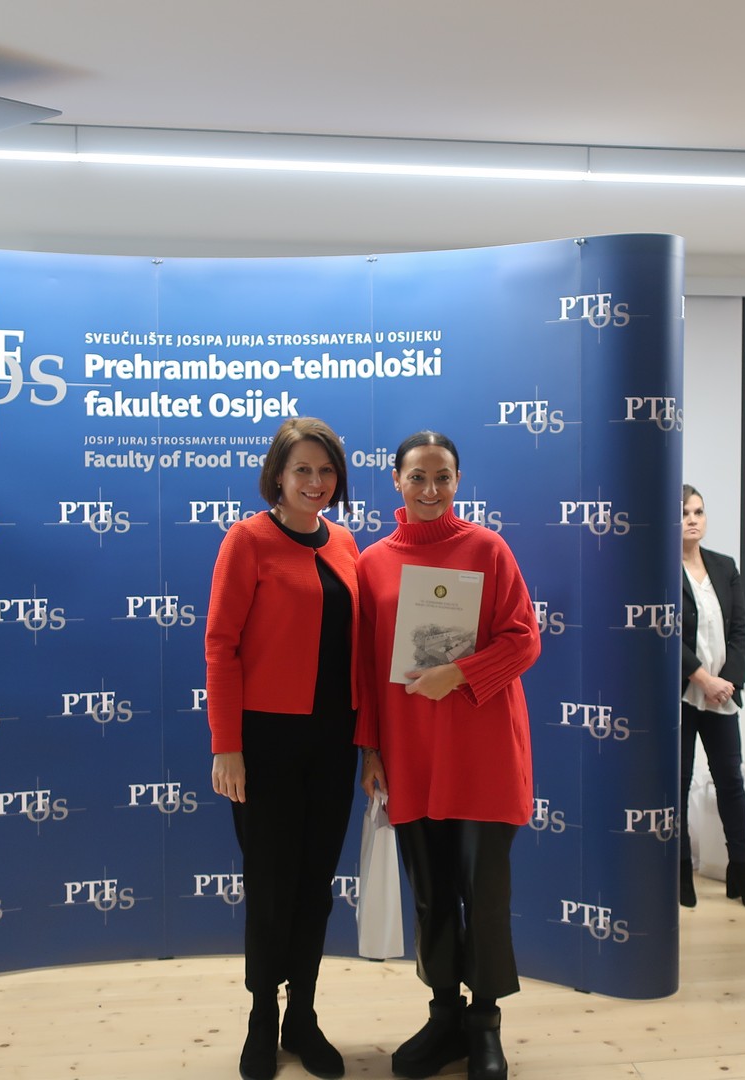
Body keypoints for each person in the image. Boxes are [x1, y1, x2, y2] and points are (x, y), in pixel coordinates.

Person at [355, 431, 540, 1080]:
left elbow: (524, 640)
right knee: (432, 897)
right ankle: (443, 1017)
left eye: (443, 477)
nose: (430, 489)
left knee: (482, 895)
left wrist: (459, 673)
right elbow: (365, 668)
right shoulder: (371, 563)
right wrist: (370, 749)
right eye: (418, 477)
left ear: (458, 481)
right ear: (396, 480)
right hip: (410, 756)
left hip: (483, 754)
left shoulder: (488, 549)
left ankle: (484, 1024)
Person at [205, 416, 360, 1080]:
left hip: (333, 740)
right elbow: (221, 645)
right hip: (265, 742)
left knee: (315, 886)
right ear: (277, 474)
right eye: (303, 469)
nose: (315, 482)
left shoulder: (346, 542)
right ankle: (261, 1017)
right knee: (271, 885)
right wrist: (227, 745)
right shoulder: (247, 539)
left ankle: (304, 1015)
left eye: (326, 471)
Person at [678, 485, 745, 911]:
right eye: (683, 513)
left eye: (698, 512)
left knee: (731, 782)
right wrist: (701, 679)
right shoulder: (659, 568)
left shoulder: (724, 566)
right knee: (678, 785)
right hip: (682, 696)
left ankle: (741, 872)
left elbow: (739, 630)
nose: (692, 519)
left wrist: (726, 682)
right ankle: (680, 873)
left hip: (721, 697)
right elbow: (664, 633)